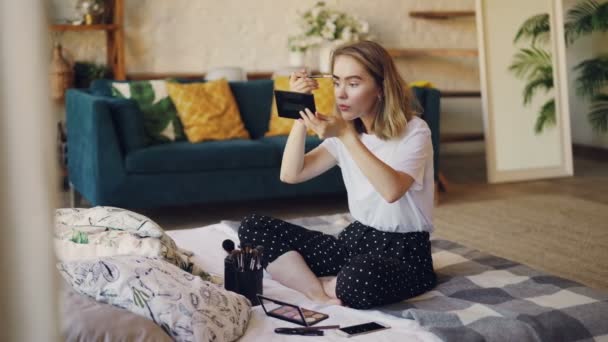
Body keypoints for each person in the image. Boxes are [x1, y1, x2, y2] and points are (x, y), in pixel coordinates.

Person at [238, 40, 436, 309]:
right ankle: (318, 293)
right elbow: (291, 174)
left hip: (405, 252)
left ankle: (323, 282)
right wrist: (300, 112)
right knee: (253, 226)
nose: (340, 94)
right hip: (355, 239)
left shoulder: (415, 131)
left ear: (380, 87)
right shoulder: (343, 133)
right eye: (336, 82)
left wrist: (346, 135)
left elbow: (392, 190)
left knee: (360, 279)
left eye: (353, 84)